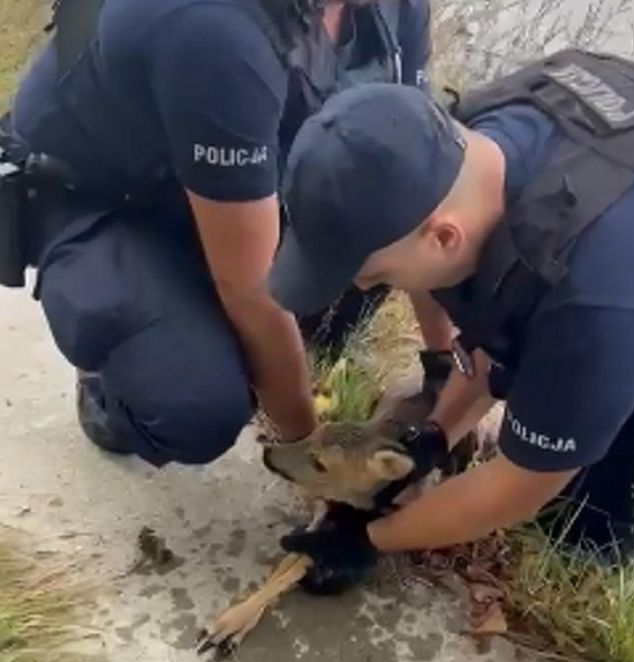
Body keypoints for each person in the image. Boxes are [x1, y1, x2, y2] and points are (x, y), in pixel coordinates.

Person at [268, 51, 634, 662]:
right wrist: (436, 435)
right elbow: (498, 309)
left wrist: (364, 538)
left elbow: (518, 488)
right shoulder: (472, 143)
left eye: (376, 276)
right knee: (580, 531)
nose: (364, 289)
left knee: (611, 529)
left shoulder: (599, 295)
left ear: (441, 235)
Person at [0, 0, 436, 466]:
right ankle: (109, 374)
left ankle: (233, 334)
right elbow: (250, 288)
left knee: (373, 235)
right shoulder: (215, 27)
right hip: (98, 196)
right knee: (197, 404)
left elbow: (420, 187)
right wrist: (309, 455)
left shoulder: (394, 8)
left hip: (221, 180)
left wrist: (443, 365)